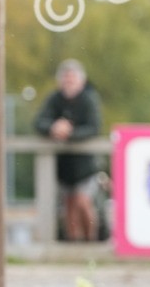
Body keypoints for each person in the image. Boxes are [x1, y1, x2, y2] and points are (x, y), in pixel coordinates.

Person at [34, 59, 103, 242]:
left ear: (81, 81)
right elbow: (39, 123)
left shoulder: (89, 99)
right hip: (63, 166)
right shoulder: (54, 99)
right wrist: (53, 128)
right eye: (66, 79)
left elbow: (94, 128)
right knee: (69, 205)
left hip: (85, 165)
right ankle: (74, 244)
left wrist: (69, 133)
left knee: (83, 201)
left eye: (72, 78)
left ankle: (90, 240)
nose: (69, 82)